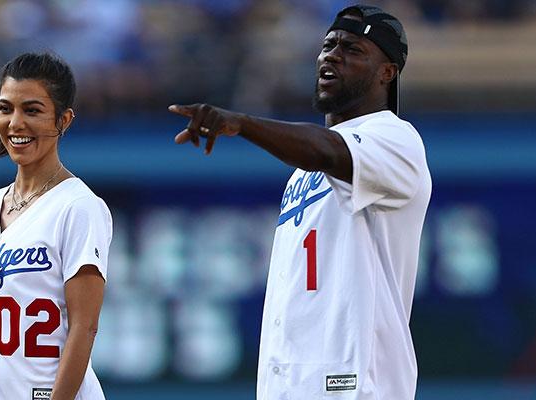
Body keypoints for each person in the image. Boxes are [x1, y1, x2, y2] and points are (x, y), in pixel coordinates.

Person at [169, 4, 430, 399]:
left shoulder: (396, 138)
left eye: (353, 49)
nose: (333, 56)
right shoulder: (302, 173)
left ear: (387, 72)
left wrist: (242, 123)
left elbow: (327, 152)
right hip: (293, 381)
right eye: (329, 45)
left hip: (356, 381)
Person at [0, 52, 112, 400]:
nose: (15, 123)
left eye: (32, 110)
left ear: (63, 120)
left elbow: (84, 327)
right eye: (6, 108)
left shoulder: (78, 206)